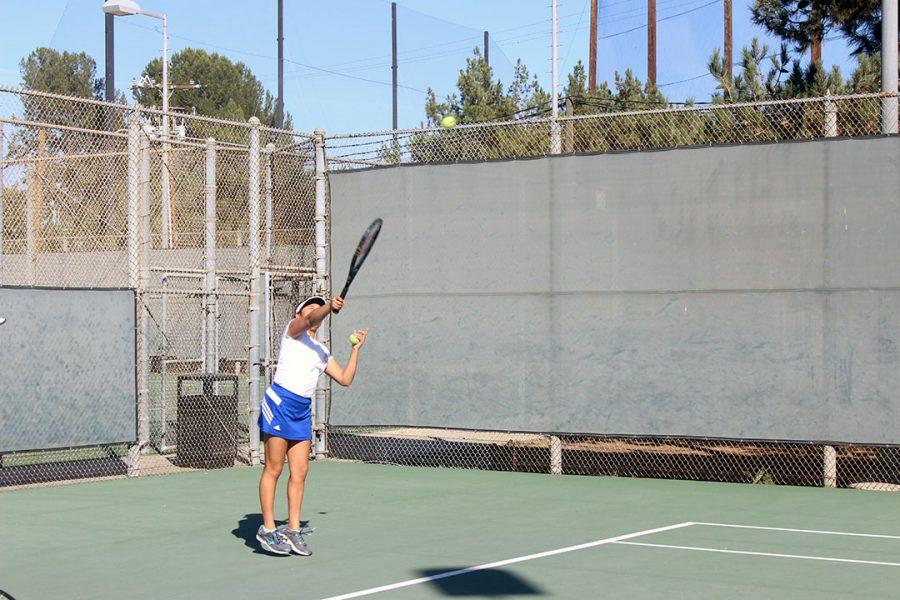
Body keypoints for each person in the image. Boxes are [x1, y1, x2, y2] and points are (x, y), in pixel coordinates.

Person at [255, 295, 368, 555]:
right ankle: (269, 529)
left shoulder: (321, 351)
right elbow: (310, 319)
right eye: (311, 306)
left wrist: (355, 350)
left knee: (300, 472)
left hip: (302, 410)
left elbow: (344, 378)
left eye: (320, 306)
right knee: (274, 467)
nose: (315, 310)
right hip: (280, 403)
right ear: (299, 314)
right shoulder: (293, 331)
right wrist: (328, 307)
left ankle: (293, 530)